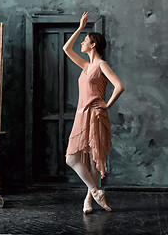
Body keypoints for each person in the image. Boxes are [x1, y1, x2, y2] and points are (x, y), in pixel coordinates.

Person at [63, 11, 125, 214]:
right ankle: (95, 191)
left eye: (85, 40)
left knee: (94, 159)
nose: (82, 43)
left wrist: (107, 105)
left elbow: (119, 86)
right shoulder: (86, 65)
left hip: (96, 114)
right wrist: (81, 27)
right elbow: (66, 48)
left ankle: (88, 200)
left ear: (93, 45)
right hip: (81, 114)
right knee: (72, 158)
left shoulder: (101, 65)